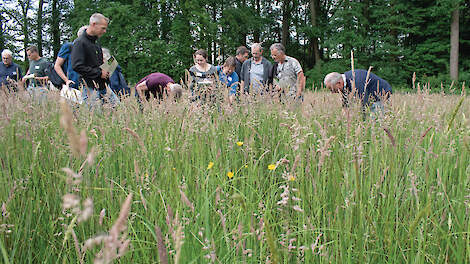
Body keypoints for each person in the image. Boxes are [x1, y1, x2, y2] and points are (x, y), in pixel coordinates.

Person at [71, 13, 119, 107]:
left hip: (103, 86)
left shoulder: (96, 43)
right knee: (95, 116)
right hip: (90, 88)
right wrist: (99, 73)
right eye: (103, 28)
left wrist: (106, 69)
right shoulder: (80, 43)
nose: (105, 31)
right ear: (93, 24)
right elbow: (77, 66)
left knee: (120, 111)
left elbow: (98, 64)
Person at [323, 69, 392, 112]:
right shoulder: (344, 82)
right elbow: (345, 98)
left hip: (382, 92)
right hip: (370, 94)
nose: (332, 92)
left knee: (374, 118)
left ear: (339, 83)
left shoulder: (356, 81)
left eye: (332, 89)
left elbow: (364, 102)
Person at [54, 26, 87, 90]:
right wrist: (66, 80)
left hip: (88, 86)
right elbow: (57, 65)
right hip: (73, 86)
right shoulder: (69, 47)